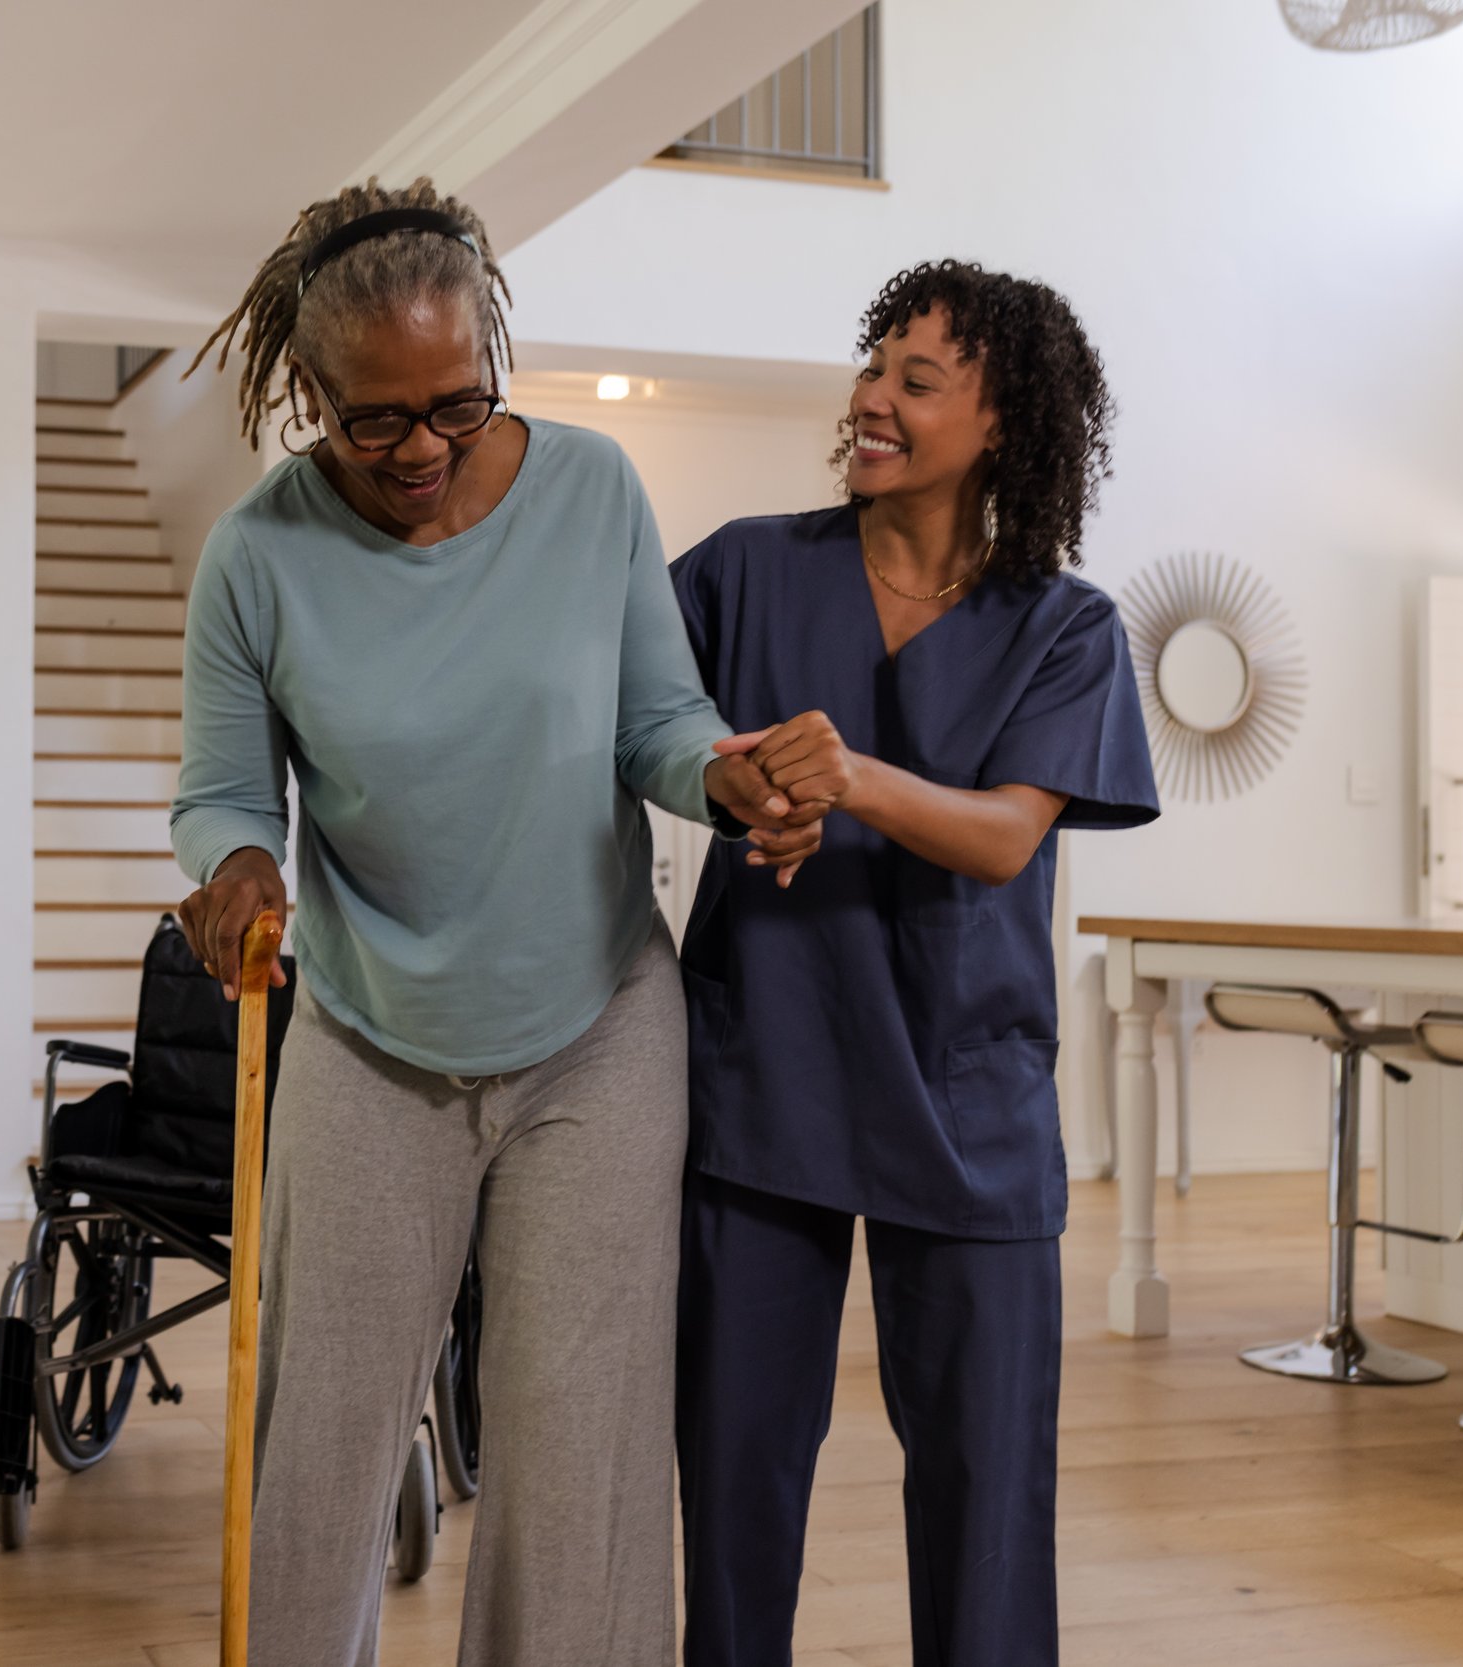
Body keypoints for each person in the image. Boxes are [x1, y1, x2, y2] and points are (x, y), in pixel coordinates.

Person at [170, 178, 811, 1667]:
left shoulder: (591, 493)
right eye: (374, 418)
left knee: (576, 1453)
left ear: (489, 355)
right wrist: (241, 870)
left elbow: (658, 723)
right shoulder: (257, 558)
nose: (421, 450)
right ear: (306, 393)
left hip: (596, 1035)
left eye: (457, 404)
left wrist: (728, 779)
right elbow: (220, 792)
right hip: (366, 1036)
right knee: (317, 1436)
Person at [669, 261, 1160, 1667]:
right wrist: (740, 779)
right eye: (874, 366)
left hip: (969, 1095)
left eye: (917, 379)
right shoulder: (747, 567)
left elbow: (1008, 836)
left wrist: (853, 777)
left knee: (988, 1491)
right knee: (735, 1470)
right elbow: (633, 718)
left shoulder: (1066, 628)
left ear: (1002, 420)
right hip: (768, 1076)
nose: (872, 397)